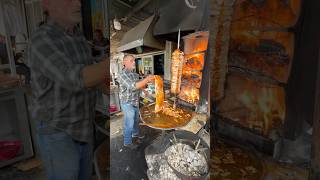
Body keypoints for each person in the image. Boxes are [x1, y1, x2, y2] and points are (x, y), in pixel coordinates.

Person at [27, 0, 108, 179]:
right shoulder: (42, 39)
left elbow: (90, 75)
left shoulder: (77, 35)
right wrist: (119, 59)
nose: (78, 3)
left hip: (82, 128)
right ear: (47, 3)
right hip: (58, 131)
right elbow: (76, 78)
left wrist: (114, 90)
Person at [118, 55, 154, 149]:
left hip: (135, 101)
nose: (134, 62)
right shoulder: (122, 75)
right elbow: (133, 86)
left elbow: (139, 85)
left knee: (136, 120)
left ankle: (136, 134)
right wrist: (146, 79)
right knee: (129, 123)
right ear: (124, 63)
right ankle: (127, 142)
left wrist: (144, 90)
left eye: (134, 60)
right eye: (131, 61)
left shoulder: (134, 74)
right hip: (127, 103)